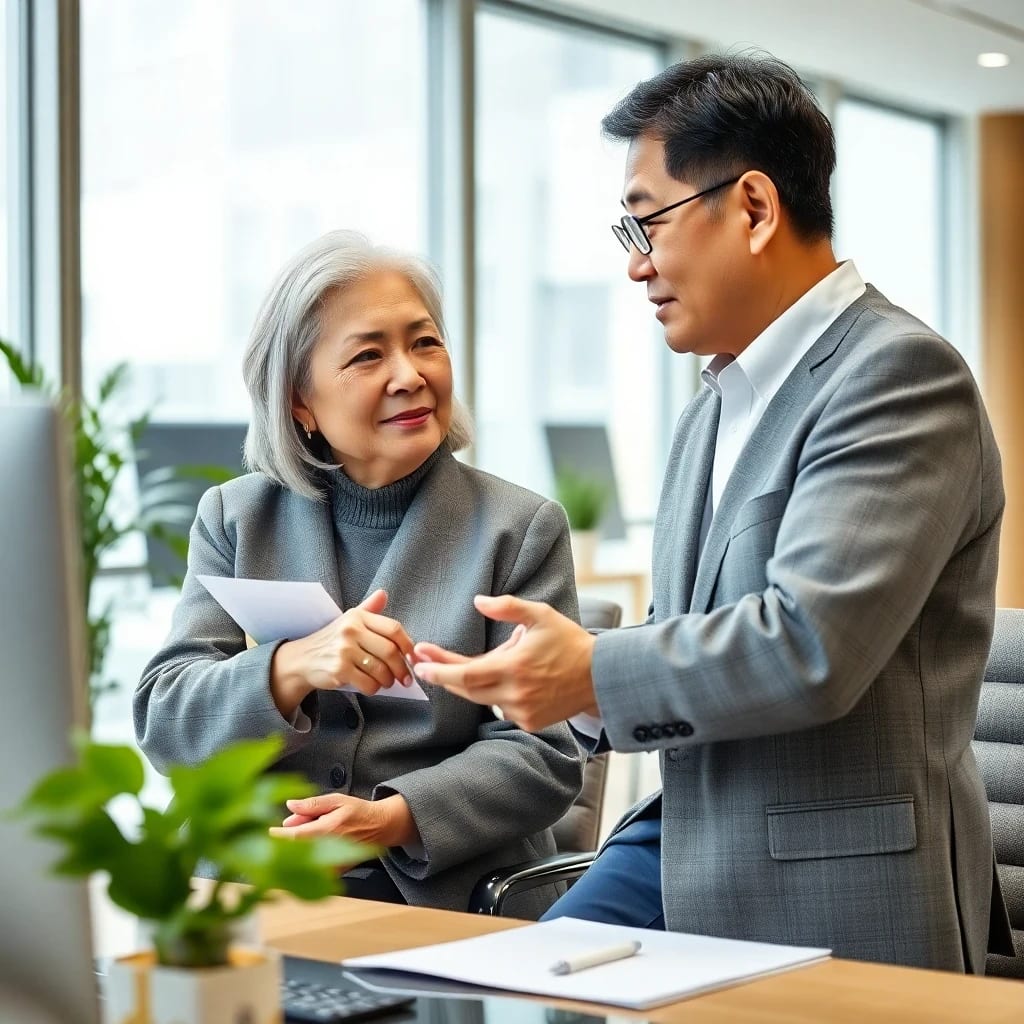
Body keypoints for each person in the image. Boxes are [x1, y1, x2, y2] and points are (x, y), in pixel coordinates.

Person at [414, 52, 1014, 971]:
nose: (636, 265)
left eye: (646, 221)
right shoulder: (714, 403)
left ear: (755, 208)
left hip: (838, 880)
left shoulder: (898, 376)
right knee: (497, 984)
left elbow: (809, 647)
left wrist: (590, 674)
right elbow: (685, 638)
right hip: (687, 845)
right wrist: (556, 686)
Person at [135, 230, 583, 916]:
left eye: (425, 342)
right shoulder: (235, 517)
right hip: (252, 894)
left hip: (440, 899)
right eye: (369, 354)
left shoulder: (519, 528)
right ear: (299, 402)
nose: (409, 374)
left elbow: (546, 754)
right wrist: (290, 668)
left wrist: (394, 817)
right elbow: (166, 721)